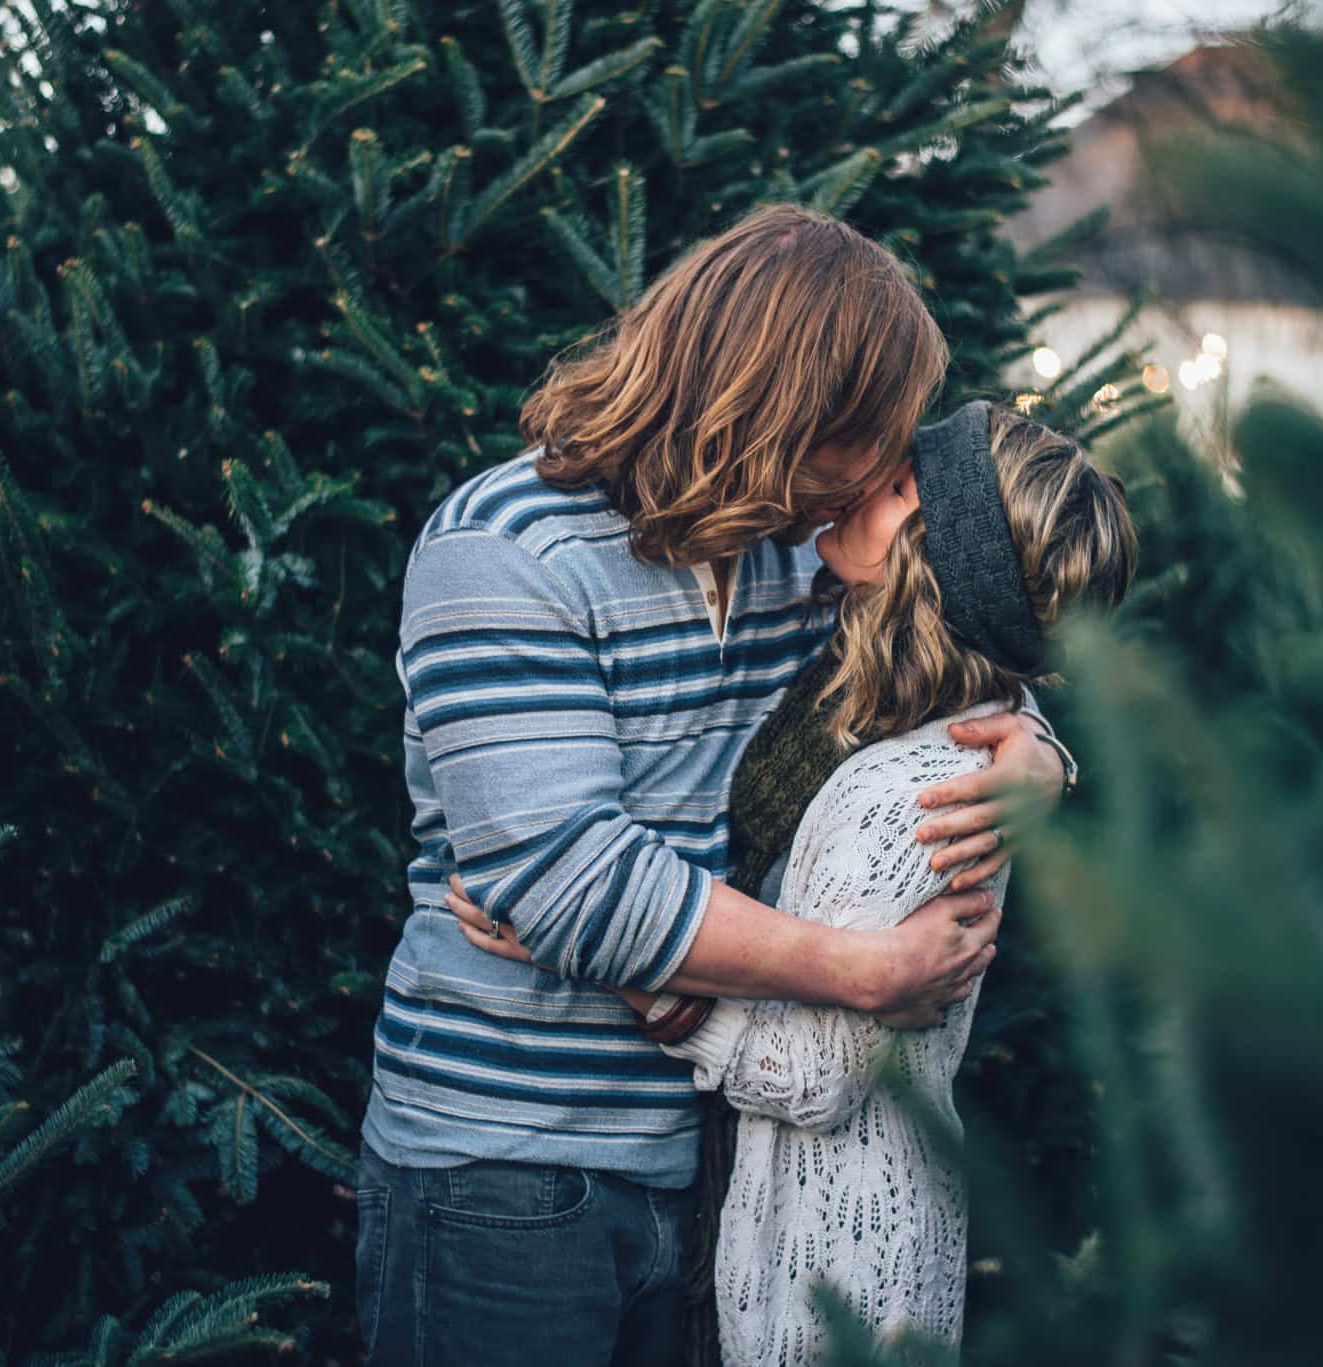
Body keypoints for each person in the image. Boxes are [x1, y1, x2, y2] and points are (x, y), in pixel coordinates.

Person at [355, 207, 1074, 1367]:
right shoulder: (503, 550)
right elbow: (571, 885)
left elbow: (955, 636)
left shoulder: (794, 550)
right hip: (505, 1166)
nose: (879, 474)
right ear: (778, 410)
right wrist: (857, 969)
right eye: (865, 441)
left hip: (705, 1155)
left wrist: (1037, 753)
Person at [458, 400, 1138, 1365]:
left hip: (837, 1253)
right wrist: (1043, 748)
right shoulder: (866, 675)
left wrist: (600, 952)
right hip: (771, 1211)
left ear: (940, 566)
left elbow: (817, 1076)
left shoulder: (921, 788)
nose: (867, 483)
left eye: (902, 487)